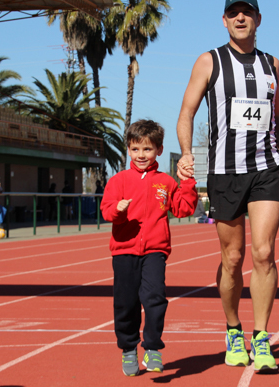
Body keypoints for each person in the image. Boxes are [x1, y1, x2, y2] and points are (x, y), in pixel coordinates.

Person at [176, 0, 279, 371]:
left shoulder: (273, 65)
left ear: (258, 19)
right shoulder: (209, 61)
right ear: (224, 20)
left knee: (264, 252)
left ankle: (262, 336)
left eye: (246, 13)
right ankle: (233, 329)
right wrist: (187, 153)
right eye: (233, 13)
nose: (240, 18)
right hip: (224, 170)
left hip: (267, 169)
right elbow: (186, 113)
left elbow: (277, 120)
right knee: (232, 258)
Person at [101, 120, 197, 377]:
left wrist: (186, 183)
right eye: (135, 149)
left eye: (147, 149)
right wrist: (118, 212)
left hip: (155, 250)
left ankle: (153, 347)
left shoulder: (165, 182)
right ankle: (128, 349)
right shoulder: (118, 180)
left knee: (155, 299)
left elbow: (183, 209)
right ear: (129, 150)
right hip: (124, 250)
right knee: (125, 303)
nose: (141, 155)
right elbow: (106, 210)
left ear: (159, 150)